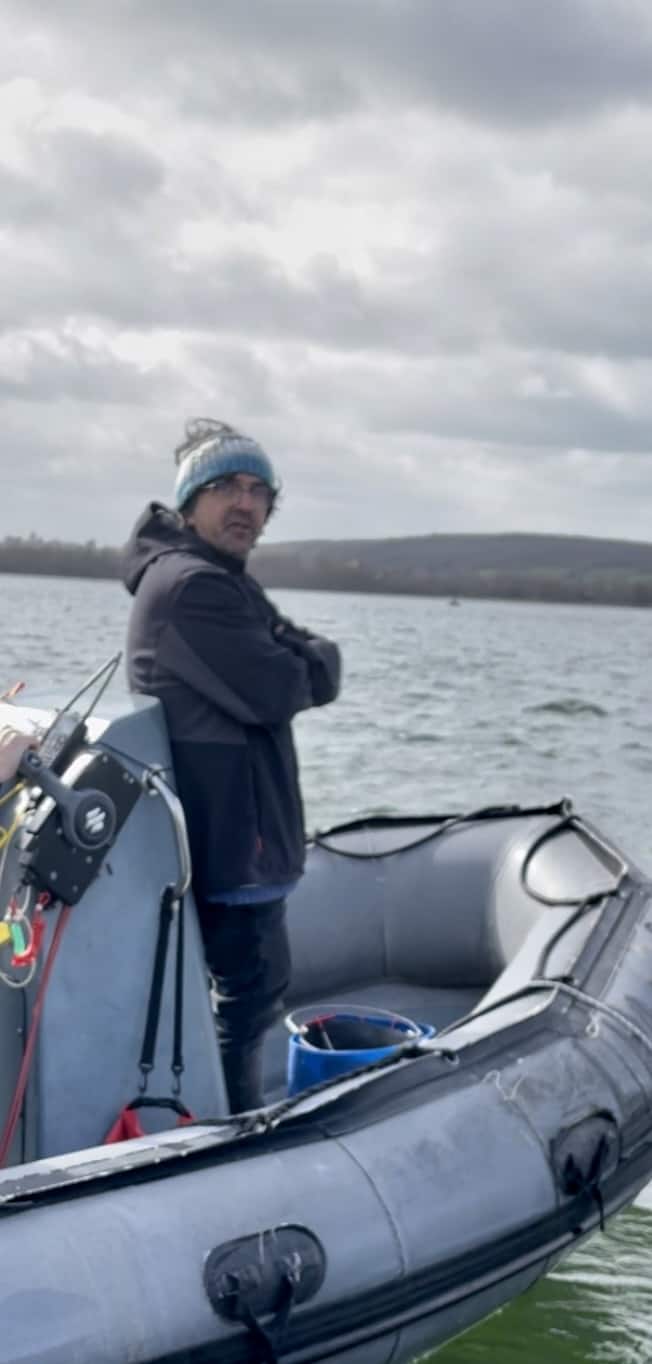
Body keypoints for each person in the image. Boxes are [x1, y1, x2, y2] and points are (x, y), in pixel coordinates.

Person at [123, 419, 341, 1112]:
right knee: (249, 1000)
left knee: (248, 994)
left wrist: (303, 655)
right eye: (226, 487)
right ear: (190, 503)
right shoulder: (195, 587)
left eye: (258, 490)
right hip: (231, 839)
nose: (245, 503)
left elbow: (306, 659)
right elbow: (284, 684)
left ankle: (224, 1120)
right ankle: (235, 1133)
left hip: (233, 832)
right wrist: (305, 657)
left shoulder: (220, 580)